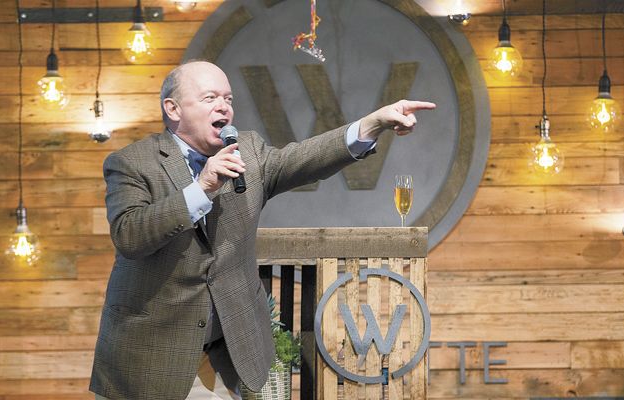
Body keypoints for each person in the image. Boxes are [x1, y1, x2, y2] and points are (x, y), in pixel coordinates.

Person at [89, 60, 436, 400]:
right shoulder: (132, 163)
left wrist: (371, 125)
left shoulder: (247, 151)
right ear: (173, 108)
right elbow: (130, 235)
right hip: (149, 358)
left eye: (228, 99)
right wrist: (202, 188)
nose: (223, 107)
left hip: (222, 356)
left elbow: (304, 158)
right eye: (210, 98)